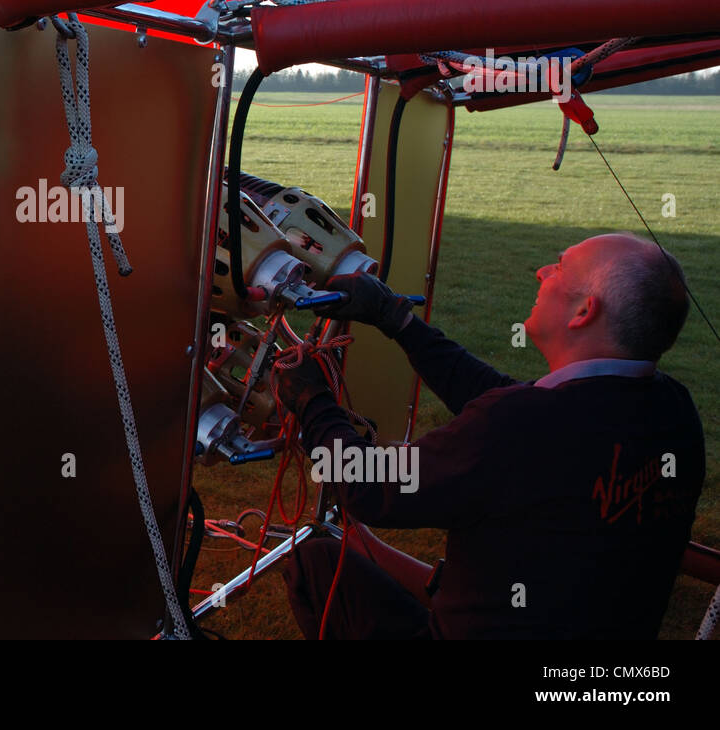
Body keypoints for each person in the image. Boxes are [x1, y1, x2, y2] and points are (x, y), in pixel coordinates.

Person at [275, 232, 704, 639]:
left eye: (559, 267)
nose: (541, 272)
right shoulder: (673, 409)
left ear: (583, 312)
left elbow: (365, 485)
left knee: (314, 566)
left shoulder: (519, 425)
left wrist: (311, 400)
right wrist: (398, 320)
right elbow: (504, 398)